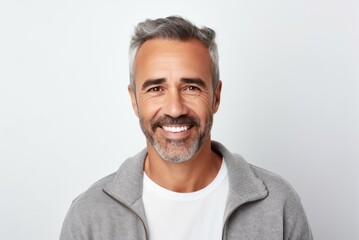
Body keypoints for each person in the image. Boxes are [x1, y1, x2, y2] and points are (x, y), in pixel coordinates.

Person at [60, 16, 313, 240]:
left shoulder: (278, 204)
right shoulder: (89, 217)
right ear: (134, 101)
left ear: (216, 96)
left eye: (191, 87)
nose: (174, 108)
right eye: (156, 89)